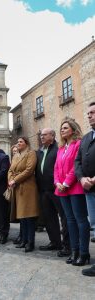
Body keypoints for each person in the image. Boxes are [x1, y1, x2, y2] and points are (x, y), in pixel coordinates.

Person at [54, 118, 90, 266]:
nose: (62, 130)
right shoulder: (61, 148)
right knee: (69, 220)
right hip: (61, 189)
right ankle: (74, 251)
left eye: (66, 128)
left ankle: (83, 253)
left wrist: (66, 183)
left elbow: (76, 166)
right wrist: (57, 182)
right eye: (61, 128)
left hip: (75, 188)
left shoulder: (78, 144)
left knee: (80, 220)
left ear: (73, 130)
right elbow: (56, 168)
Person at [36, 128, 70, 256]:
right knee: (49, 217)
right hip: (43, 190)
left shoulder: (58, 149)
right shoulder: (39, 151)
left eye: (45, 135)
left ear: (52, 136)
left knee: (64, 217)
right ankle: (55, 242)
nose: (42, 137)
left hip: (57, 189)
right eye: (41, 135)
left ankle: (67, 245)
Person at [8, 137, 39, 252]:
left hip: (27, 188)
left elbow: (29, 170)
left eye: (21, 142)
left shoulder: (31, 153)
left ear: (26, 143)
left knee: (29, 216)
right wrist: (11, 180)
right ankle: (24, 240)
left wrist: (15, 180)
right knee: (22, 217)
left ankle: (30, 242)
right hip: (17, 188)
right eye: (18, 142)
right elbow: (10, 170)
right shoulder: (16, 155)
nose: (18, 143)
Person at [75, 102, 95, 276]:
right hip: (89, 190)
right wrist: (81, 178)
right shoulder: (87, 138)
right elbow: (78, 162)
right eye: (88, 113)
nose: (89, 116)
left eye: (93, 113)